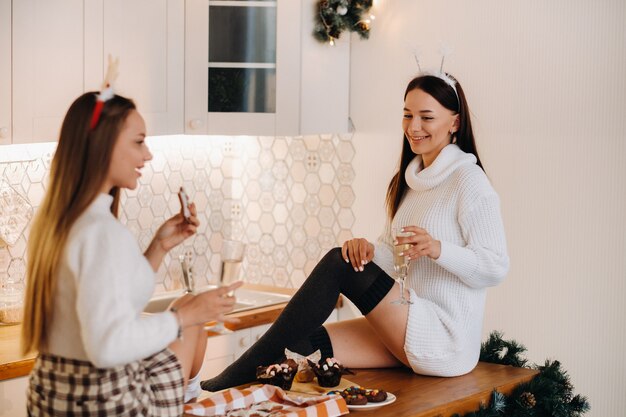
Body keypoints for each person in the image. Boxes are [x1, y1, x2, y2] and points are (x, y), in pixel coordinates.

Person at [201, 71, 509, 392]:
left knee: (339, 263)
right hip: (408, 323)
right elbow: (397, 260)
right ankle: (231, 391)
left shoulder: (468, 181)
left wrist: (438, 249)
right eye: (407, 115)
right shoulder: (413, 182)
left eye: (426, 117)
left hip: (445, 340)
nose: (413, 127)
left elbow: (495, 266)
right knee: (302, 343)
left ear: (455, 123)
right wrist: (372, 252)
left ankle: (230, 377)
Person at [21, 83, 242, 416]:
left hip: (53, 394)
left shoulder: (58, 222)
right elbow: (107, 346)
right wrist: (186, 317)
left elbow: (112, 294)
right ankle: (192, 404)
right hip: (105, 403)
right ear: (103, 145)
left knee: (184, 314)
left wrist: (160, 246)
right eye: (138, 142)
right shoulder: (101, 232)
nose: (148, 154)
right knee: (188, 319)